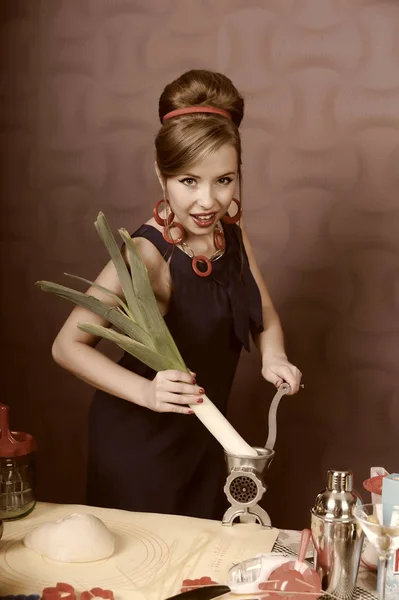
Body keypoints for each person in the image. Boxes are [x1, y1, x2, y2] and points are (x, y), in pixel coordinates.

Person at [52, 69, 302, 520]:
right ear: (161, 175)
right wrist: (148, 393)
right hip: (140, 447)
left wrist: (273, 356)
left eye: (224, 180)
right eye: (189, 181)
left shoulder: (230, 233)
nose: (208, 202)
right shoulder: (146, 256)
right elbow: (67, 346)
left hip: (208, 439)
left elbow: (263, 310)